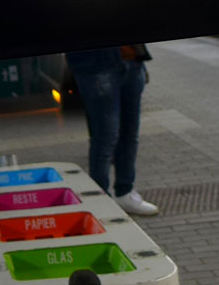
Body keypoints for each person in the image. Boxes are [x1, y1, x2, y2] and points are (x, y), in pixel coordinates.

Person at [66, 45, 158, 215]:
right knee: (105, 137)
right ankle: (101, 200)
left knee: (129, 134)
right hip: (97, 65)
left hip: (132, 61)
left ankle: (125, 192)